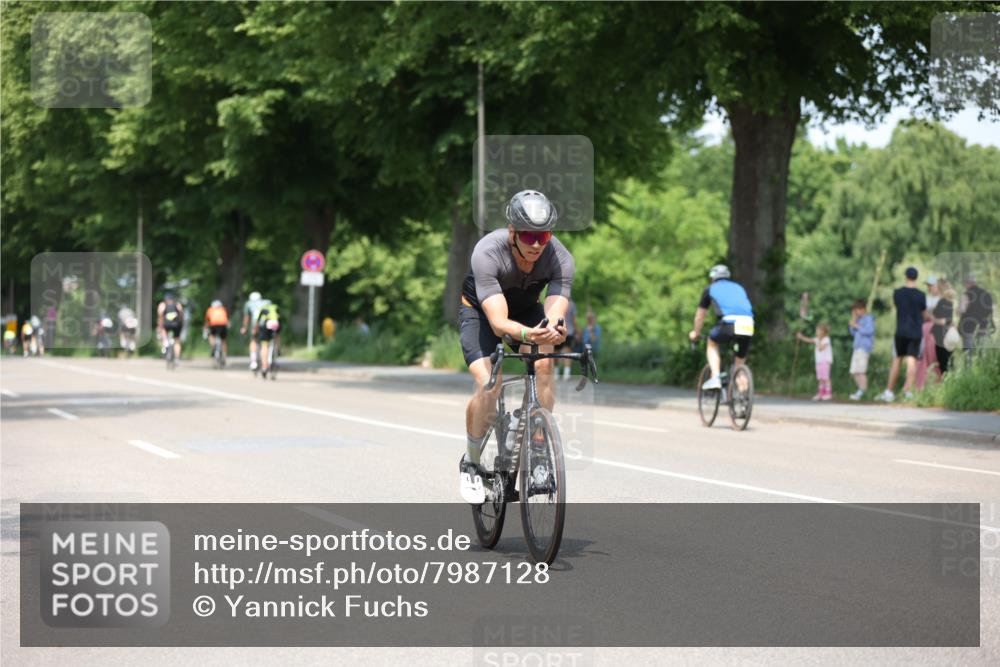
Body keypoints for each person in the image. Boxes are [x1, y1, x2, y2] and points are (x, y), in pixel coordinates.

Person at [458, 189, 573, 504]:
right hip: (481, 313)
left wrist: (552, 331)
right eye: (528, 236)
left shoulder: (560, 257)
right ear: (512, 232)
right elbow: (498, 323)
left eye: (543, 235)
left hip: (525, 310)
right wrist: (530, 336)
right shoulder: (488, 252)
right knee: (489, 385)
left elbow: (553, 315)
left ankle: (535, 449)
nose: (536, 244)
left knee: (544, 362)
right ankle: (470, 463)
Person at [688, 264, 754, 390]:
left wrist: (696, 333)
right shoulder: (738, 287)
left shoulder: (710, 288)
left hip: (729, 323)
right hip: (748, 324)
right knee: (739, 364)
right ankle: (743, 397)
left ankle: (715, 377)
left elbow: (700, 316)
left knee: (712, 342)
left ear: (712, 278)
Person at [877, 267, 930, 402]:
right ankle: (907, 392)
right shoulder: (921, 295)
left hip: (901, 331)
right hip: (915, 332)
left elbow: (898, 308)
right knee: (912, 361)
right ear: (917, 278)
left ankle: (889, 392)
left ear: (906, 276)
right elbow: (924, 314)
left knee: (897, 360)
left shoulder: (897, 293)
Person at [958, 273, 995, 363]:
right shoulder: (987, 294)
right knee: (982, 355)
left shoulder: (966, 294)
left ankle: (968, 375)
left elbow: (962, 310)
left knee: (968, 355)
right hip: (984, 327)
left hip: (969, 329)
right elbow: (991, 310)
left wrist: (957, 310)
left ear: (967, 283)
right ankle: (982, 373)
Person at [797, 323, 833, 401]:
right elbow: (809, 340)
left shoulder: (826, 339)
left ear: (823, 332)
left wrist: (819, 340)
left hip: (825, 362)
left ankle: (828, 394)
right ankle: (821, 393)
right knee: (820, 378)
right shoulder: (817, 339)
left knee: (826, 378)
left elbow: (820, 348)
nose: (816, 332)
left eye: (818, 330)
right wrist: (801, 337)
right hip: (819, 362)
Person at [847, 299, 875, 400]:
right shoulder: (857, 320)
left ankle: (863, 391)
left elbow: (869, 331)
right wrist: (853, 322)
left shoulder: (868, 319)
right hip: (857, 347)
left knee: (861, 371)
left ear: (862, 309)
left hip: (864, 347)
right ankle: (861, 390)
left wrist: (857, 326)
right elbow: (853, 333)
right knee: (854, 371)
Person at [928, 277, 954, 376]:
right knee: (947, 364)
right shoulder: (948, 301)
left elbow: (944, 321)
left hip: (941, 337)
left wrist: (932, 318)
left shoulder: (943, 302)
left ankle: (948, 387)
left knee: (944, 365)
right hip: (944, 336)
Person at [254, 300, 281, 378]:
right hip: (276, 323)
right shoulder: (275, 307)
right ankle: (277, 348)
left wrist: (255, 330)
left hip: (267, 324)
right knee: (277, 335)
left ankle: (264, 366)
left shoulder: (263, 308)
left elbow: (258, 321)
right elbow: (279, 317)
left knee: (264, 345)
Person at [240, 291, 266, 371]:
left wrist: (244, 327)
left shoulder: (249, 304)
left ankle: (253, 362)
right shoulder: (266, 302)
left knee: (253, 340)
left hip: (256, 325)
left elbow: (247, 317)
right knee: (265, 343)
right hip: (268, 324)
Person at [157, 292, 184, 362]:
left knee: (163, 332)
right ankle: (177, 358)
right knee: (177, 341)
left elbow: (160, 316)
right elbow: (181, 315)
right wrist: (180, 324)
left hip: (166, 324)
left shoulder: (162, 305)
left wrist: (159, 326)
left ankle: (165, 344)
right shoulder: (178, 305)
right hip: (177, 325)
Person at [558, 298, 579, 380]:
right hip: (569, 331)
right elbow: (574, 320)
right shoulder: (572, 304)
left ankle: (556, 373)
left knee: (556, 351)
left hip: (557, 330)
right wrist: (577, 330)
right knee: (567, 352)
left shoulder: (557, 301)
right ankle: (566, 373)